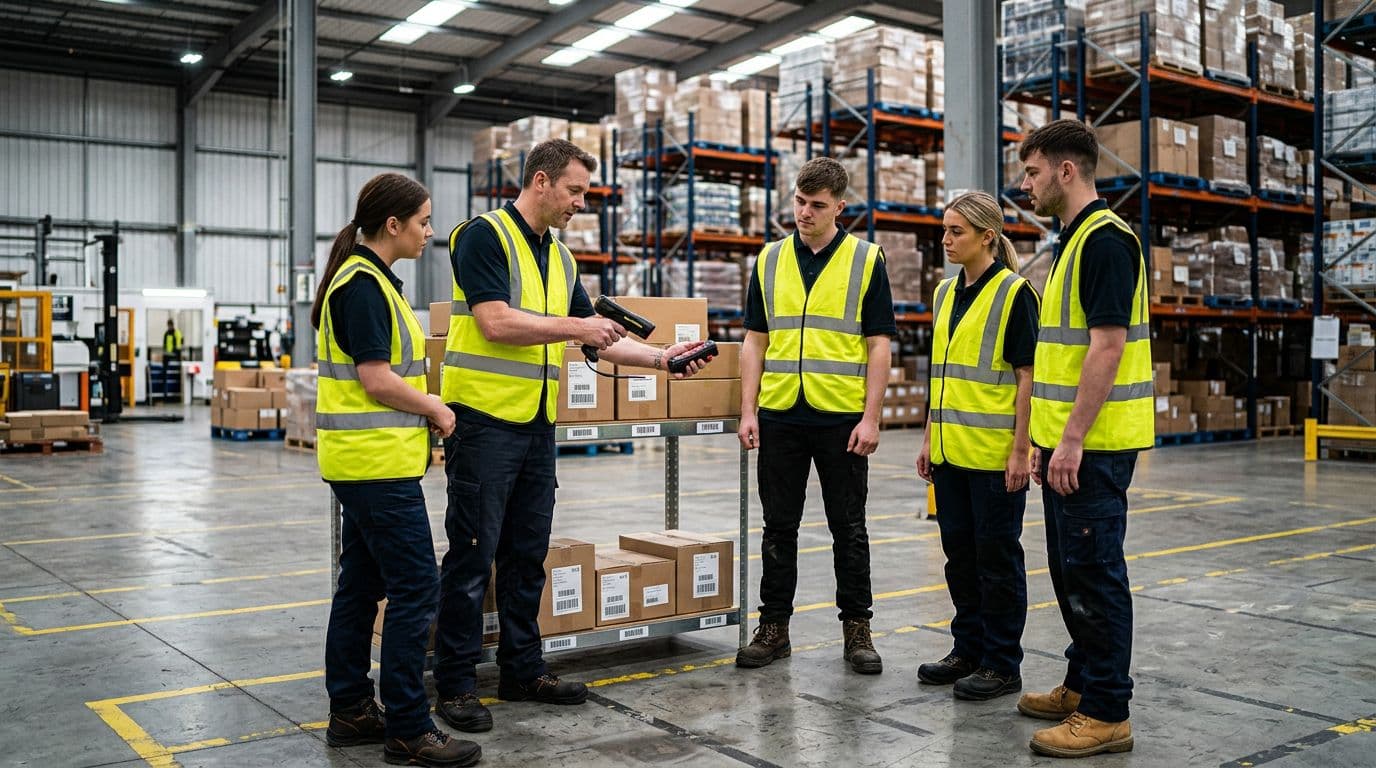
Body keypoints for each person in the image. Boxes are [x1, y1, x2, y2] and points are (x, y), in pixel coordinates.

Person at [432, 139, 710, 733]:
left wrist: (662, 358)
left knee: (527, 554)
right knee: (473, 556)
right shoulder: (480, 236)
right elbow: (495, 321)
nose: (582, 202)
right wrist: (579, 324)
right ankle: (454, 685)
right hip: (482, 422)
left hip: (535, 424)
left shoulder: (559, 257)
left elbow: (593, 338)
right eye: (575, 190)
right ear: (540, 181)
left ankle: (522, 668)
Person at [314, 173, 481, 768]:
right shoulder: (362, 286)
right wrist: (435, 406)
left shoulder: (372, 280)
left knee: (361, 587)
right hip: (375, 470)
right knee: (416, 587)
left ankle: (353, 709)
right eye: (424, 221)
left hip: (367, 465)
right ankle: (409, 726)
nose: (430, 232)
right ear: (394, 224)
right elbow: (376, 379)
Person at [1016, 119, 1154, 758]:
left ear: (1066, 171)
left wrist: (1071, 440)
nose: (1026, 184)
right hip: (1065, 445)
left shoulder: (1104, 242)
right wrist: (1047, 440)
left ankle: (1107, 711)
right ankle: (1080, 682)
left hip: (1093, 449)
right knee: (1070, 572)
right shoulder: (1072, 243)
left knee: (1096, 576)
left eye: (1033, 171)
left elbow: (1107, 347)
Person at [735, 156, 895, 675]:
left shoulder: (867, 260)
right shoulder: (768, 259)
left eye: (817, 205)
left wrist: (872, 417)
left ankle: (857, 630)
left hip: (841, 418)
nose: (804, 212)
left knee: (848, 528)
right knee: (778, 527)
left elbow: (879, 345)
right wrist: (748, 410)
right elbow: (754, 341)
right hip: (780, 412)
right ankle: (774, 628)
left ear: (840, 207)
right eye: (799, 202)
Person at [915, 191, 1039, 701]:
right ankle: (967, 648)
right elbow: (940, 372)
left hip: (992, 458)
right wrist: (927, 435)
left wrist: (1020, 449)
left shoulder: (1015, 294)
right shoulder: (945, 293)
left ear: (988, 236)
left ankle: (1002, 662)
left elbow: (1029, 377)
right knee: (958, 558)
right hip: (948, 453)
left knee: (997, 560)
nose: (945, 240)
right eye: (944, 230)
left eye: (956, 232)